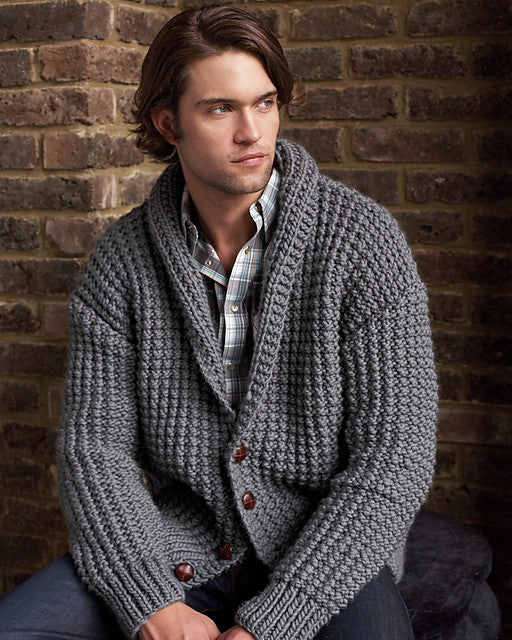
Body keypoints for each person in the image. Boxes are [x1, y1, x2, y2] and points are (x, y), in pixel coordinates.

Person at [0, 6, 438, 640]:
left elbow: (394, 458)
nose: (251, 132)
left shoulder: (362, 243)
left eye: (264, 103)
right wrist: (151, 603)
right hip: (180, 538)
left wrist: (273, 622)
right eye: (219, 109)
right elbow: (96, 450)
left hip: (327, 547)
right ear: (167, 122)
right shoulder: (121, 264)